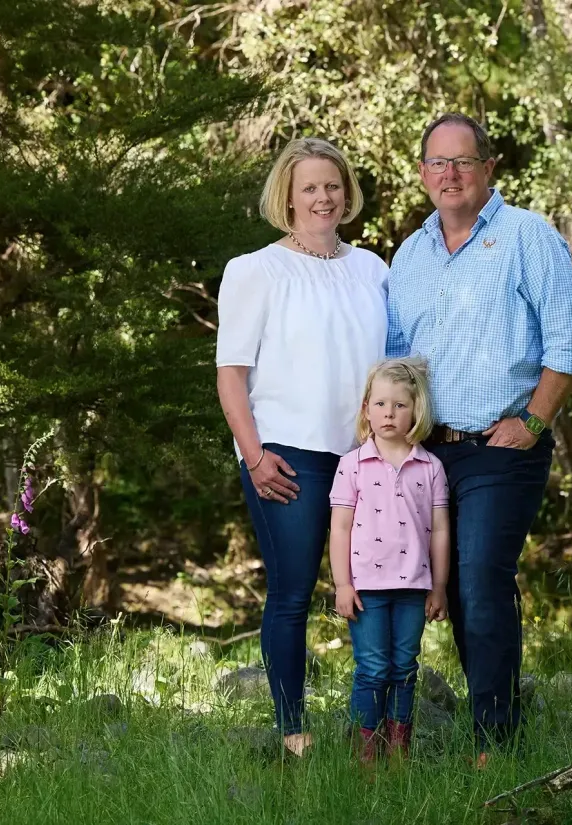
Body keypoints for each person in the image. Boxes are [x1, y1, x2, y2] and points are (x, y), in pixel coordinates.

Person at [386, 113, 572, 762]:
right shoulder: (410, 254)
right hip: (427, 453)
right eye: (438, 163)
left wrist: (532, 421)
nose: (451, 175)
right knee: (445, 591)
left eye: (464, 161)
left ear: (489, 168)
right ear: (422, 174)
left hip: (501, 447)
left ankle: (495, 745)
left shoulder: (526, 235)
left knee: (480, 577)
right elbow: (395, 360)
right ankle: (486, 722)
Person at [216, 138, 388, 757]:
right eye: (310, 187)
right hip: (288, 454)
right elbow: (231, 375)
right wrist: (254, 455)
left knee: (375, 587)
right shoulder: (255, 270)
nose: (324, 197)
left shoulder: (372, 267)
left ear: (347, 193)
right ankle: (294, 730)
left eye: (333, 185)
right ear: (286, 195)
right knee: (292, 591)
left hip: (368, 457)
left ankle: (373, 729)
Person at [328, 358, 451, 762]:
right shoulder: (352, 465)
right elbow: (340, 528)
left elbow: (440, 531)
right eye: (380, 404)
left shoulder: (430, 467)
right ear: (366, 408)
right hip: (366, 589)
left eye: (399, 405)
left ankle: (398, 748)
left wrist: (439, 586)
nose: (388, 413)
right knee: (373, 669)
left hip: (414, 587)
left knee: (404, 668)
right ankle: (366, 751)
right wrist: (343, 585)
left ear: (416, 411)